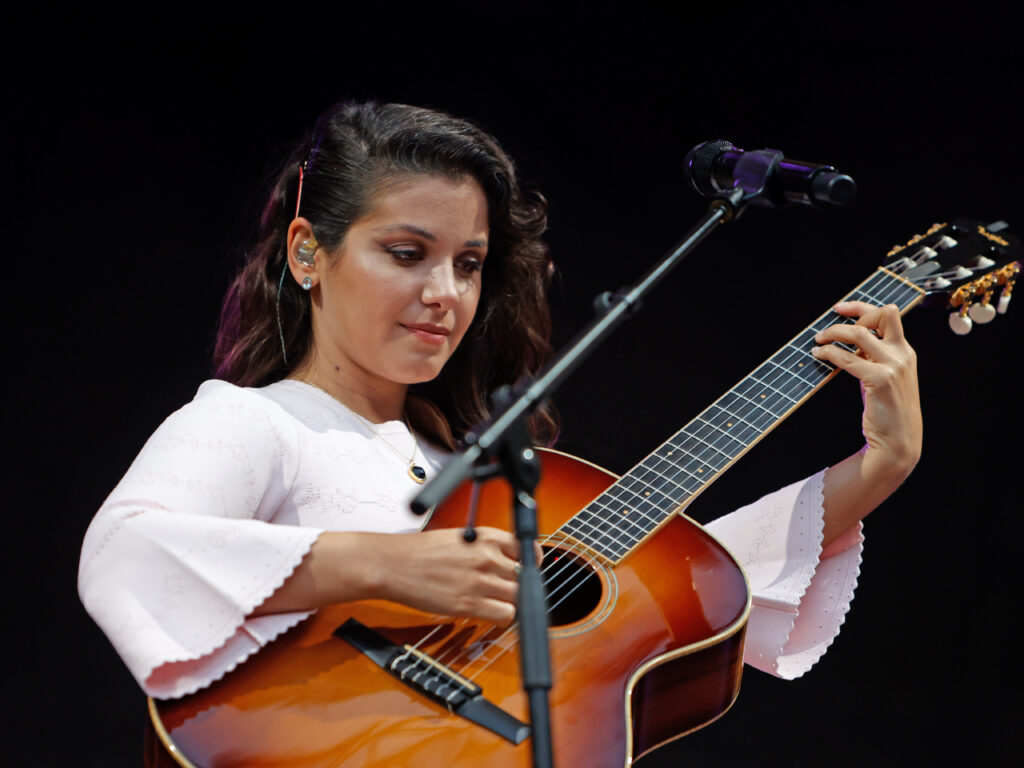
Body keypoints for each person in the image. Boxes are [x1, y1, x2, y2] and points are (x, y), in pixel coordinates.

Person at [78, 100, 922, 746]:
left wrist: (878, 466)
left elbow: (677, 585)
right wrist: (388, 566)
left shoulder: (484, 465)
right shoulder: (257, 423)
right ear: (307, 253)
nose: (445, 293)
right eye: (407, 254)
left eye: (470, 264)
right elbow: (127, 550)